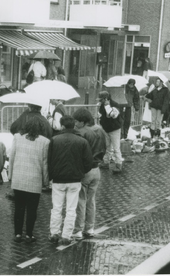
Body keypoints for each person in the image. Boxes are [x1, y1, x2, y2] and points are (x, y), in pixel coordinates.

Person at [48, 115, 93, 246]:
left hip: (58, 180)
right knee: (71, 209)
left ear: (62, 126)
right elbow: (88, 162)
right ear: (74, 125)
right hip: (75, 180)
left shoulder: (54, 140)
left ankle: (54, 233)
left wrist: (51, 175)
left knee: (56, 208)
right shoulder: (82, 141)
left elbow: (49, 161)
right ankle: (66, 235)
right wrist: (80, 172)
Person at [9, 117, 50, 243]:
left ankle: (17, 234)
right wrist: (46, 181)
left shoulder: (17, 137)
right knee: (32, 209)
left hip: (19, 179)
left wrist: (11, 176)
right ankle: (29, 235)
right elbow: (45, 164)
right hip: (34, 180)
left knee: (19, 208)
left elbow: (12, 158)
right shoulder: (45, 142)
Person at [71, 109, 106, 240]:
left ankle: (78, 230)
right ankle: (89, 228)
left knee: (81, 200)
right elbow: (104, 148)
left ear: (82, 121)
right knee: (91, 200)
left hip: (85, 170)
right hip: (96, 169)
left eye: (76, 121)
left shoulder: (82, 133)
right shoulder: (100, 130)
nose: (75, 124)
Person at [97, 91, 123, 173]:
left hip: (114, 129)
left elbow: (114, 115)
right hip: (106, 128)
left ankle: (119, 164)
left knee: (116, 148)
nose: (100, 101)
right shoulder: (101, 106)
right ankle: (106, 162)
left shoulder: (115, 105)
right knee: (107, 146)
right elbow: (100, 115)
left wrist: (107, 106)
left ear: (106, 99)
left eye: (101, 100)